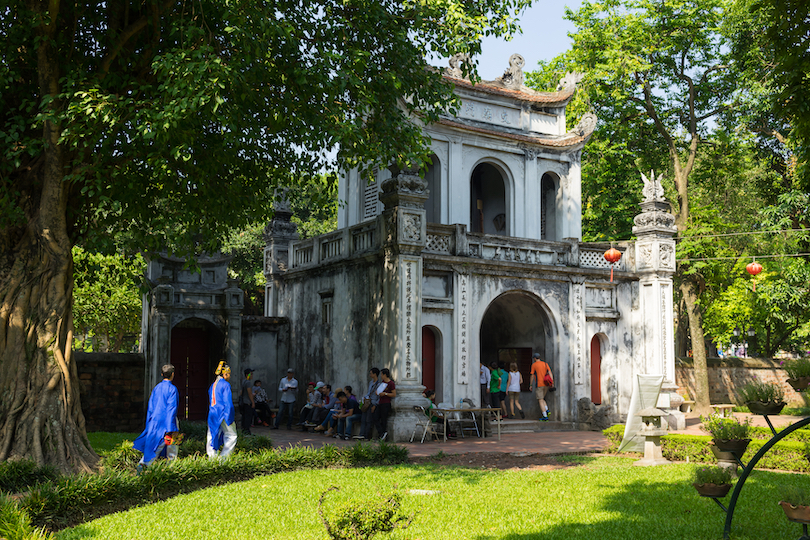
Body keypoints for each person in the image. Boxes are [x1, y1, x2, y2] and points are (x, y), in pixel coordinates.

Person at [133, 364, 179, 473]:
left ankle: (143, 463)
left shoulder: (156, 388)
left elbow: (151, 406)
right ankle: (171, 467)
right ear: (173, 374)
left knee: (153, 444)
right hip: (168, 421)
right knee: (171, 446)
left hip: (154, 420)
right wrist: (172, 427)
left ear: (162, 374)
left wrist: (149, 422)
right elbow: (172, 408)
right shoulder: (173, 389)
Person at [207, 361, 237, 459]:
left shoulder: (213, 384)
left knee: (212, 434)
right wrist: (230, 416)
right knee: (231, 435)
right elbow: (228, 403)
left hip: (212, 413)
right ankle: (224, 458)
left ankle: (212, 458)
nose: (229, 377)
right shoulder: (225, 385)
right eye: (229, 375)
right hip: (223, 413)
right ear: (225, 374)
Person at [357, 368, 381, 440]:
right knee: (363, 419)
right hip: (367, 402)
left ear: (375, 374)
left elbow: (379, 396)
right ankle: (361, 434)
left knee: (369, 420)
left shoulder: (379, 384)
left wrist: (375, 405)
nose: (370, 375)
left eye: (371, 373)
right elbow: (368, 393)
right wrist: (364, 397)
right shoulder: (371, 383)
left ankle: (366, 436)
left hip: (372, 403)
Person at [374, 368, 396, 441]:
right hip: (380, 402)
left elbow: (394, 394)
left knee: (384, 420)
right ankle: (382, 433)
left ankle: (383, 435)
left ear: (385, 375)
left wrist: (385, 394)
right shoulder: (383, 382)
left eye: (382, 374)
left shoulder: (391, 383)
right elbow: (378, 391)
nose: (381, 376)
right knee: (375, 418)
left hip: (386, 403)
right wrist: (377, 392)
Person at [529, 353, 553, 421]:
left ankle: (545, 416)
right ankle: (547, 410)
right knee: (542, 399)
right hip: (546, 384)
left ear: (534, 358)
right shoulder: (545, 364)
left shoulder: (534, 365)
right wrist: (552, 382)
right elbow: (550, 372)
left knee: (540, 400)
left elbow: (532, 375)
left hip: (539, 384)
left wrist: (530, 385)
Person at [240, 368, 255, 435]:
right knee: (248, 417)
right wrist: (253, 402)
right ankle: (247, 431)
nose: (252, 375)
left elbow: (241, 392)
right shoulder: (248, 382)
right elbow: (249, 393)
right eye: (251, 374)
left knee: (244, 417)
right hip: (247, 402)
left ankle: (244, 430)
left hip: (243, 401)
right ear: (247, 375)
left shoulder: (243, 382)